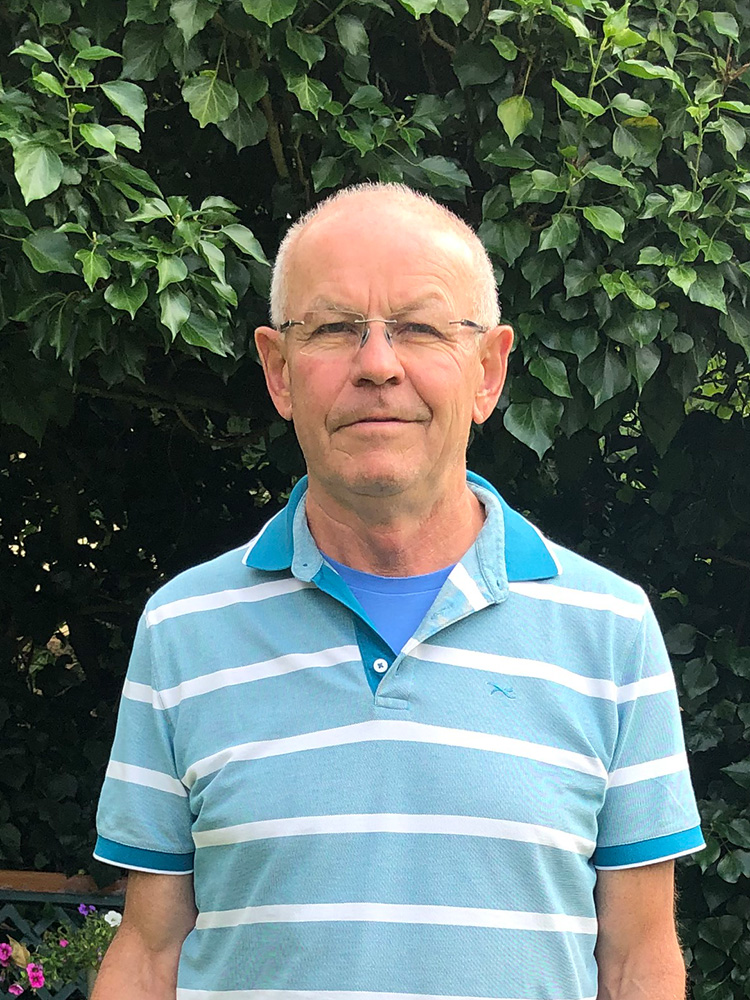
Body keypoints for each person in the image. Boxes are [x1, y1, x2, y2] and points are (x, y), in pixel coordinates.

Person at [92, 183, 704, 1000]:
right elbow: (148, 952)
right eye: (334, 329)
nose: (378, 365)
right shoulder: (183, 629)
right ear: (278, 371)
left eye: (419, 328)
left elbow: (637, 961)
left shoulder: (611, 630)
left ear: (488, 371)